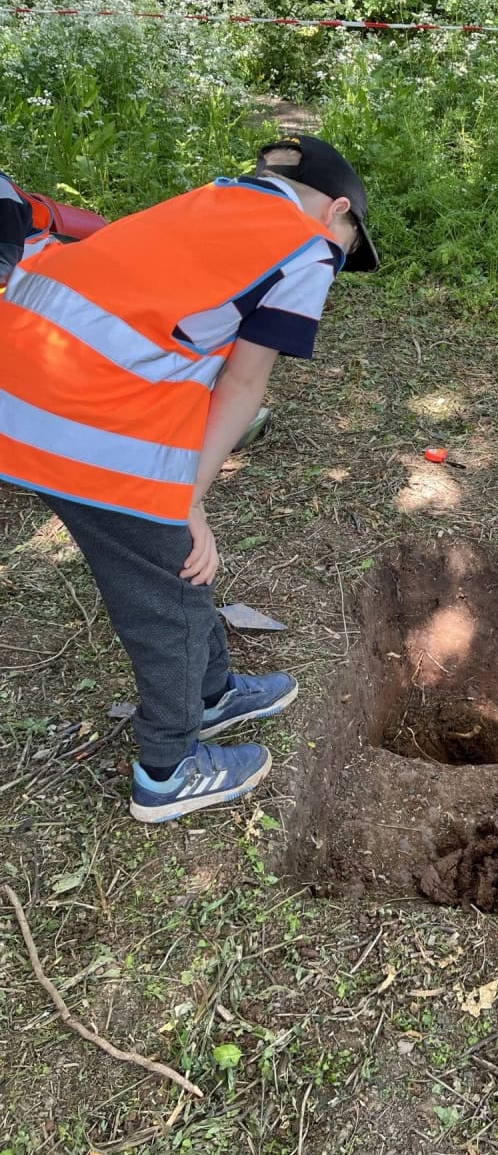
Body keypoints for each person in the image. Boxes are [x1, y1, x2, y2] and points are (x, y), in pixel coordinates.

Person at [0, 135, 378, 821]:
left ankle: (212, 692)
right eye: (350, 246)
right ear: (338, 211)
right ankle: (167, 769)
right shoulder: (306, 242)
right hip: (88, 416)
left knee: (180, 560)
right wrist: (186, 497)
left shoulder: (221, 198)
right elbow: (243, 379)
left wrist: (182, 498)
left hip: (31, 385)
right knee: (169, 586)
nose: (339, 263)